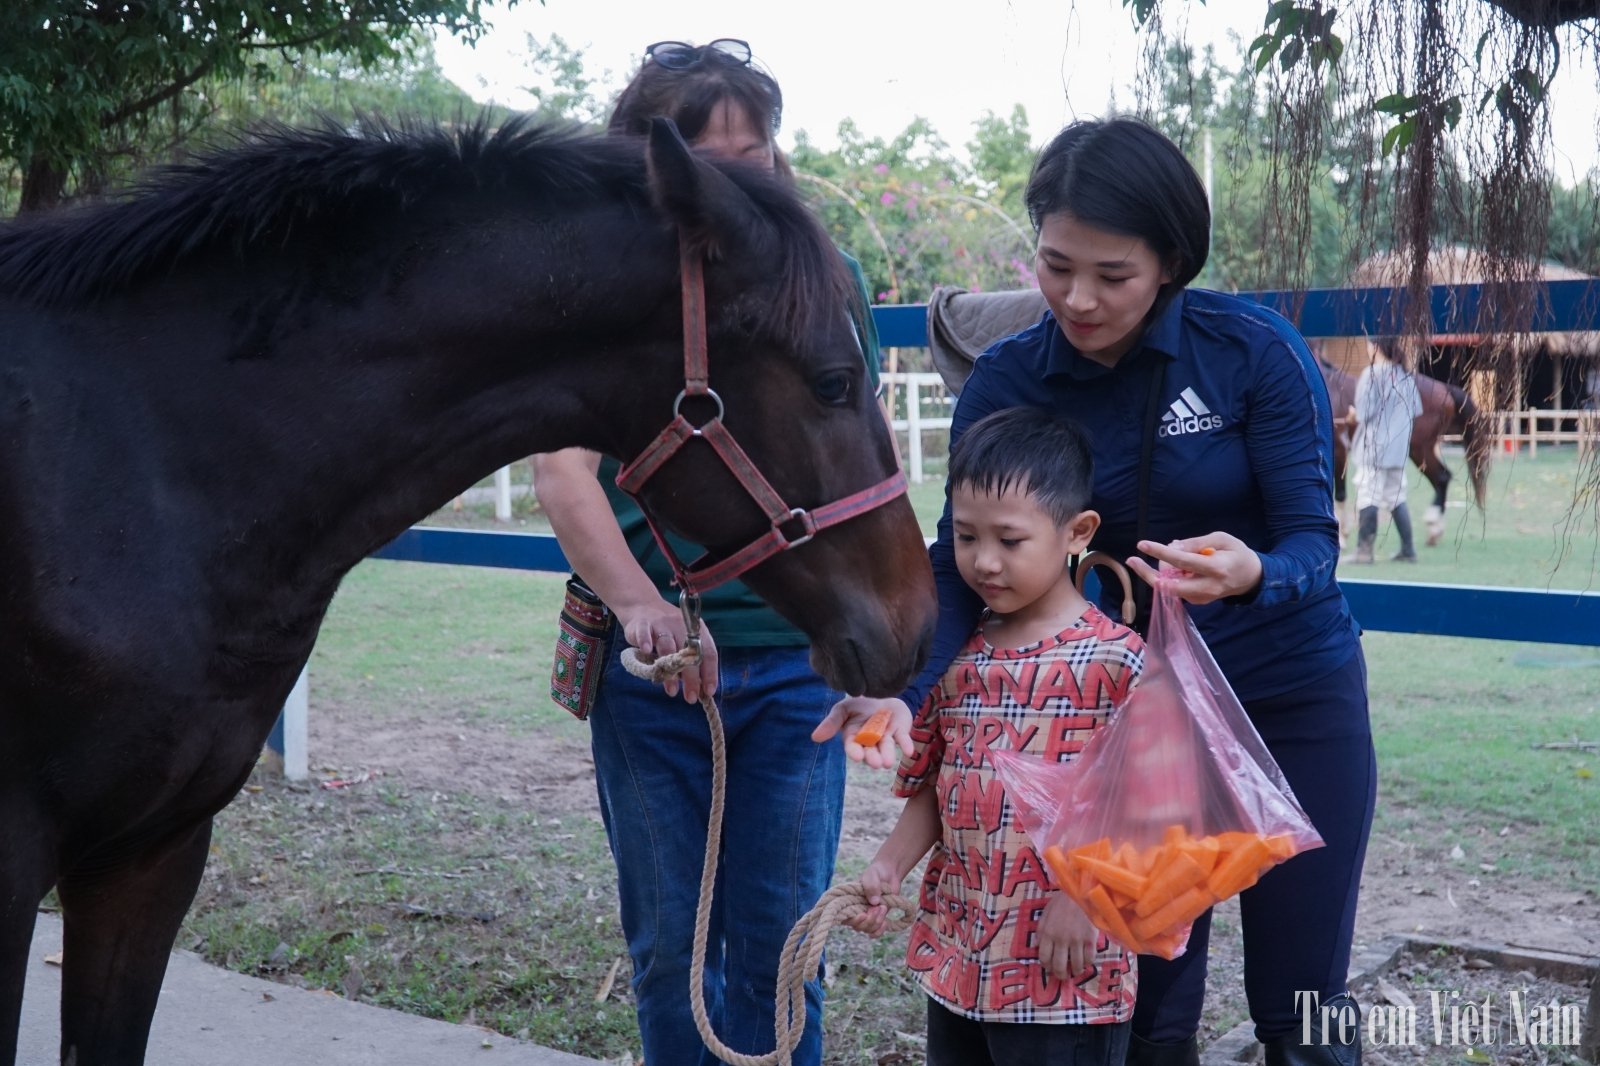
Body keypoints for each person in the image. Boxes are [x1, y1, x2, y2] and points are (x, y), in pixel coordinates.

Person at [817, 118, 1374, 1066]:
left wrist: (1254, 575)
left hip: (1283, 698)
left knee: (1301, 998)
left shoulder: (1252, 354)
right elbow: (962, 563)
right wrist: (905, 697)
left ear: (1170, 262)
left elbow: (1312, 544)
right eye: (1054, 264)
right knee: (1147, 1002)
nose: (1078, 298)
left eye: (1112, 275)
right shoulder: (1009, 378)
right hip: (1124, 727)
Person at [530, 38, 882, 1066]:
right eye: (709, 155)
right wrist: (640, 605)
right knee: (668, 955)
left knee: (781, 957)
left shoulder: (827, 275)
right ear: (655, 170)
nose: (739, 174)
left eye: (756, 150)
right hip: (656, 676)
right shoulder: (604, 295)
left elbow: (856, 457)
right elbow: (562, 471)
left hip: (789, 670)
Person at [845, 406, 1143, 1066]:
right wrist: (890, 866)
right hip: (961, 958)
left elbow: (1147, 803)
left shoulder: (1118, 662)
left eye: (1010, 541)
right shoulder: (954, 657)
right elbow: (932, 787)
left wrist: (1085, 897)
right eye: (966, 537)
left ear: (1077, 532)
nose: (983, 562)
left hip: (1062, 972)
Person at [1349, 339, 1422, 563]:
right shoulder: (1406, 375)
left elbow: (1362, 413)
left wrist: (1353, 416)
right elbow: (1415, 411)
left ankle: (1364, 552)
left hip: (1373, 447)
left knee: (1368, 494)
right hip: (1398, 449)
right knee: (1395, 496)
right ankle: (1408, 550)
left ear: (1376, 347)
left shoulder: (1371, 374)